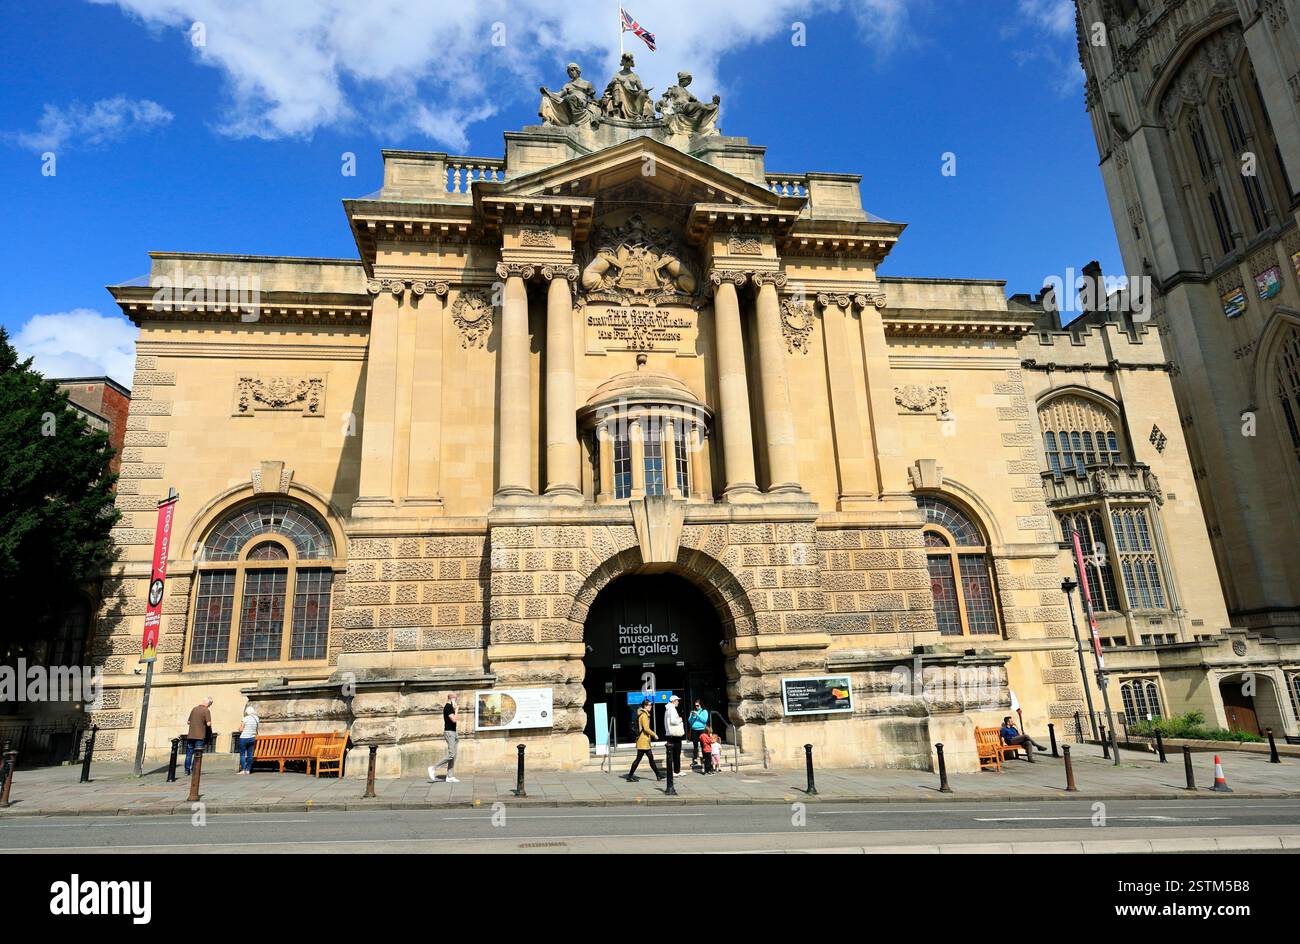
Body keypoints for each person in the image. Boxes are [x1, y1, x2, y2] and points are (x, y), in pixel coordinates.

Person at [625, 699, 664, 782]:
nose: (651, 706)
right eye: (649, 705)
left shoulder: (643, 714)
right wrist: (654, 734)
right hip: (643, 740)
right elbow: (646, 728)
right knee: (641, 758)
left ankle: (658, 775)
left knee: (649, 758)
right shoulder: (644, 715)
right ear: (645, 706)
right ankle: (630, 775)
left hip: (643, 740)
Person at [428, 693, 460, 783]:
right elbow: (454, 719)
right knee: (451, 755)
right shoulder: (448, 707)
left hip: (453, 732)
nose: (456, 701)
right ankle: (433, 768)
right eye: (456, 699)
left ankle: (449, 776)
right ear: (452, 699)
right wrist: (456, 710)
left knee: (454, 756)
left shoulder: (450, 707)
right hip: (449, 733)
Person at [184, 697, 213, 775]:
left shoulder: (194, 709)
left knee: (189, 753)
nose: (210, 706)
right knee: (198, 754)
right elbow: (208, 723)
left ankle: (187, 770)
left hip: (191, 735)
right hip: (200, 736)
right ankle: (195, 769)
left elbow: (188, 722)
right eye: (210, 704)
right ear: (208, 703)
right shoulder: (206, 711)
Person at [663, 694, 685, 775]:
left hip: (670, 734)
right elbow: (673, 721)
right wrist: (680, 719)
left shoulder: (668, 709)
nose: (678, 702)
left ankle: (673, 771)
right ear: (673, 701)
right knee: (676, 753)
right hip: (675, 734)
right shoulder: (672, 709)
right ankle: (676, 771)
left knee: (671, 754)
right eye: (677, 700)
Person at [237, 704, 259, 774]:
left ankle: (243, 769)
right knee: (250, 754)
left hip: (244, 738)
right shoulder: (256, 718)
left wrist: (239, 728)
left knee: (242, 754)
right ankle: (248, 770)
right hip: (252, 738)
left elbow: (241, 729)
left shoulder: (245, 718)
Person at [688, 699, 708, 768]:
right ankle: (695, 760)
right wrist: (693, 716)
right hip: (694, 730)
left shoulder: (704, 711)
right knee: (695, 745)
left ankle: (705, 758)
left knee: (703, 744)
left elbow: (704, 720)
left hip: (701, 730)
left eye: (698, 705)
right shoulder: (693, 711)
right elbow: (690, 721)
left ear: (701, 705)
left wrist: (698, 715)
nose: (696, 707)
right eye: (695, 705)